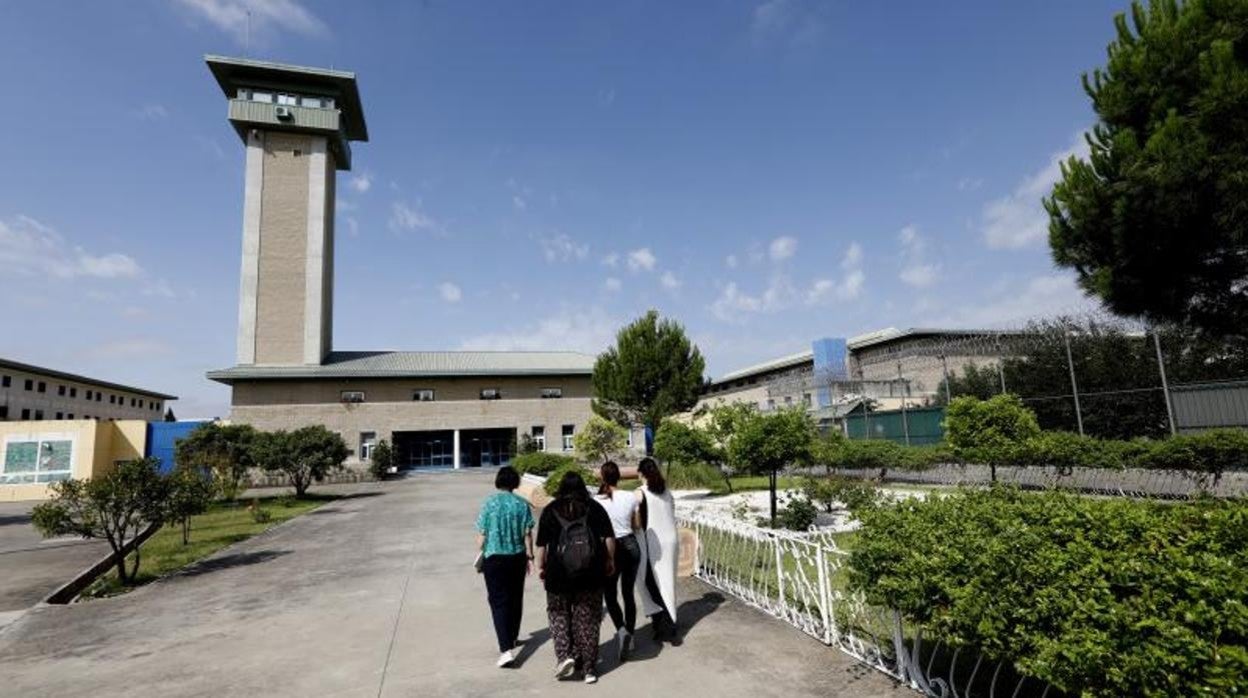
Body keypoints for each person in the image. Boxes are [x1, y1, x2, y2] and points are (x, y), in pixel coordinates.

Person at [537, 470, 617, 684]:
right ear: (582, 487)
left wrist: (541, 567)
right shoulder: (595, 508)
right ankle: (589, 669)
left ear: (561, 488)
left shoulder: (550, 510)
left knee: (559, 615)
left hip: (558, 573)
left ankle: (564, 657)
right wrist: (609, 561)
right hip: (591, 573)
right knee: (588, 619)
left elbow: (542, 545)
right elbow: (609, 538)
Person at [475, 466, 535, 668]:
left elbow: (480, 539)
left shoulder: (489, 504)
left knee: (498, 602)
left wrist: (483, 547)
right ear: (515, 483)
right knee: (515, 597)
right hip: (517, 557)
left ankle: (505, 649)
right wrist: (530, 556)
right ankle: (512, 636)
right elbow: (527, 534)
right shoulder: (522, 505)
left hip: (494, 559)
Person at [594, 461, 641, 661]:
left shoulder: (596, 500)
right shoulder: (630, 497)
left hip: (608, 547)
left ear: (603, 478)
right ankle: (630, 633)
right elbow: (637, 525)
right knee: (628, 592)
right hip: (630, 544)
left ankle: (621, 630)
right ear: (619, 477)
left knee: (610, 595)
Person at [635, 457, 680, 644]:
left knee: (650, 582)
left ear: (641, 473)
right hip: (671, 539)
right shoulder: (666, 491)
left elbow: (636, 520)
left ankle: (665, 624)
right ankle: (666, 621)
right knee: (667, 582)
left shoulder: (640, 493)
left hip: (653, 542)